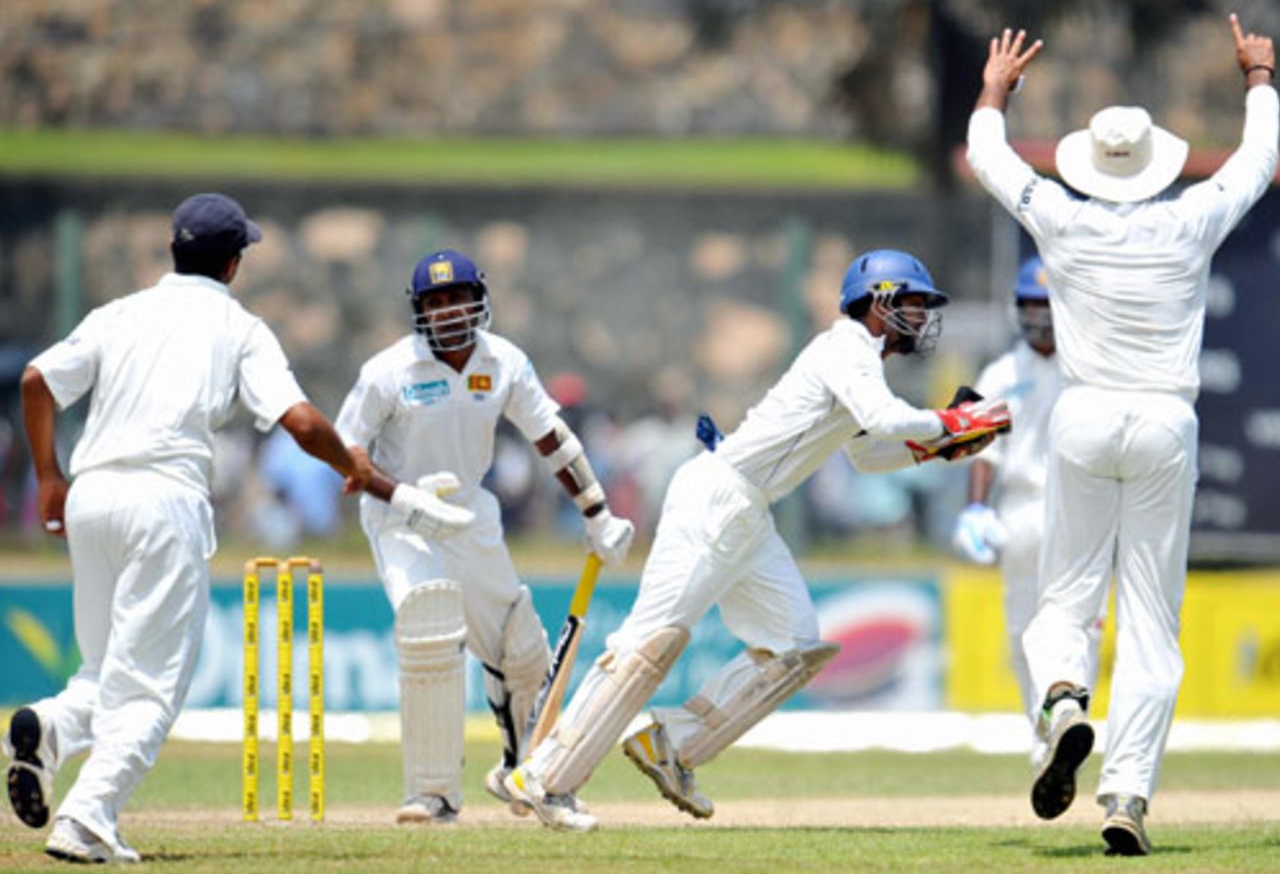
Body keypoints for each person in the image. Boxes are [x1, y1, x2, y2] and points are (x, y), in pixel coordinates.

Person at [4, 193, 473, 864]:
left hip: (92, 498)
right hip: (163, 500)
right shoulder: (238, 327)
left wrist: (49, 476)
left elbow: (34, 381)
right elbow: (303, 423)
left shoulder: (119, 312)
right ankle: (86, 819)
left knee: (109, 669)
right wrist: (354, 463)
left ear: (172, 249)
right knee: (152, 686)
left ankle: (48, 729)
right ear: (233, 264)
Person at [505, 249, 1012, 832]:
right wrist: (949, 426)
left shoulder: (862, 361)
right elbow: (886, 417)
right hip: (719, 498)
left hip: (749, 512)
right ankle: (544, 779)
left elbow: (870, 452)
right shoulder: (844, 347)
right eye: (914, 304)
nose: (923, 318)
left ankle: (671, 744)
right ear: (879, 302)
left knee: (792, 646)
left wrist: (938, 445)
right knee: (648, 645)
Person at [966, 17, 1277, 856]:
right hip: (1166, 422)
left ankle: (1064, 695)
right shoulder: (1190, 221)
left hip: (1084, 412)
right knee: (1150, 620)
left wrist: (997, 88)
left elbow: (989, 159)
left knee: (1064, 597)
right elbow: (1257, 163)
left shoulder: (1063, 220)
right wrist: (1258, 78)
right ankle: (1128, 792)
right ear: (1155, 165)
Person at [334, 249, 635, 824]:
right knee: (430, 625)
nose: (447, 311)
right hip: (401, 515)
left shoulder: (503, 363)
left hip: (471, 510)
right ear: (419, 310)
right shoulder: (388, 372)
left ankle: (531, 776)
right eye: (435, 302)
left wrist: (597, 512)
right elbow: (346, 454)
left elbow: (553, 438)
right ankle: (433, 794)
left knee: (521, 649)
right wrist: (404, 497)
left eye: (457, 298)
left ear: (479, 300)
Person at [950, 257, 1103, 768]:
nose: (1039, 315)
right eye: (1030, 305)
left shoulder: (1089, 365)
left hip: (1080, 509)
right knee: (1023, 631)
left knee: (1081, 626)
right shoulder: (1001, 373)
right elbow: (984, 449)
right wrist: (975, 508)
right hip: (1020, 511)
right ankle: (1044, 738)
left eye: (1047, 304)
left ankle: (1071, 718)